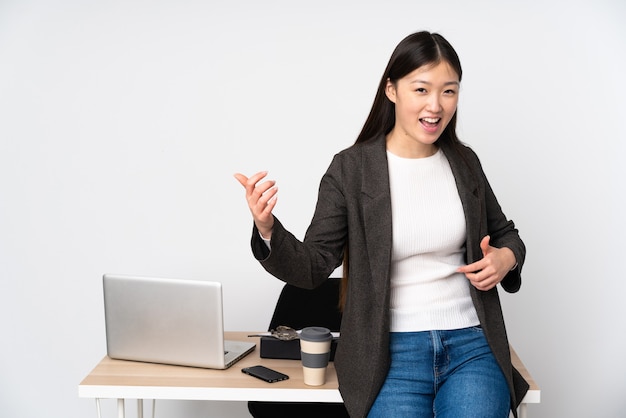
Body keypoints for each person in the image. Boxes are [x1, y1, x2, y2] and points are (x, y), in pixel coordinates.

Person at [235, 31, 529, 418]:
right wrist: (268, 228)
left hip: (471, 345)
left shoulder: (464, 162)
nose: (436, 106)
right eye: (421, 89)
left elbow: (507, 234)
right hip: (388, 354)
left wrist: (505, 258)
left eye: (449, 91)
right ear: (392, 90)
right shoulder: (351, 169)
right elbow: (313, 266)